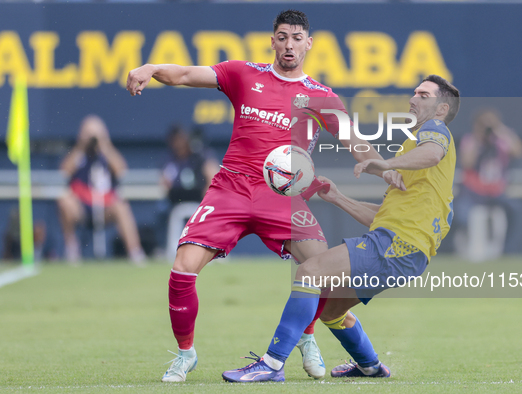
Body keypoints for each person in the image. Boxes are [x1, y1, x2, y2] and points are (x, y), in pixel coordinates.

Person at [126, 10, 385, 382]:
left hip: (282, 196)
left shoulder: (321, 97)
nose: (289, 45)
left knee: (324, 274)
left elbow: (357, 144)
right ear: (272, 40)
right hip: (230, 188)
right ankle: (185, 355)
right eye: (282, 37)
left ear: (309, 44)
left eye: (297, 38)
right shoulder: (243, 74)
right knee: (183, 267)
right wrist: (151, 66)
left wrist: (388, 170)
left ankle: (306, 337)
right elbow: (184, 74)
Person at [222, 75, 460, 382]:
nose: (413, 97)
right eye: (414, 91)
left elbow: (433, 152)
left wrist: (386, 164)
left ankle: (271, 365)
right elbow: (383, 216)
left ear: (440, 109)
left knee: (309, 272)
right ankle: (370, 366)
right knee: (331, 310)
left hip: (397, 244)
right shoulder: (414, 152)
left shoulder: (434, 130)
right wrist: (337, 197)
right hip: (406, 250)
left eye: (423, 94)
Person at [57, 115, 146, 264]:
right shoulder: (79, 154)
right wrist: (81, 145)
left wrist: (104, 145)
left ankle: (135, 252)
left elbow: (121, 170)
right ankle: (72, 249)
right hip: (82, 208)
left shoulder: (106, 153)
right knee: (64, 200)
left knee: (121, 205)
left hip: (105, 208)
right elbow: (64, 171)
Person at [453, 109, 522, 260]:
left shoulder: (501, 140)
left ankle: (506, 250)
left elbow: (519, 152)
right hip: (473, 191)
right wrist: (479, 138)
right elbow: (467, 163)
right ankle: (464, 243)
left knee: (514, 208)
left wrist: (501, 130)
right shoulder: (470, 140)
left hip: (496, 191)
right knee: (462, 215)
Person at [155, 125, 219, 256]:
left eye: (181, 139)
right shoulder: (170, 159)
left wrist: (206, 199)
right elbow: (165, 184)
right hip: (176, 202)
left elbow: (213, 177)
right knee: (161, 210)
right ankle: (166, 248)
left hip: (201, 200)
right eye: (175, 140)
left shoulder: (200, 156)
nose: (178, 143)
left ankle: (215, 248)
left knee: (216, 208)